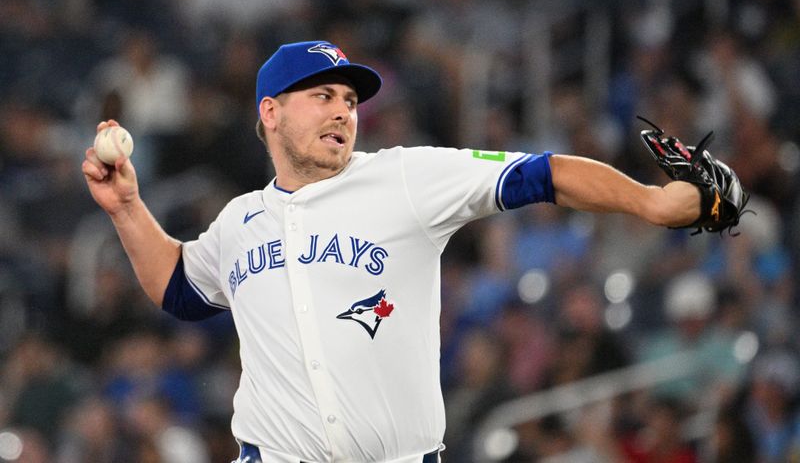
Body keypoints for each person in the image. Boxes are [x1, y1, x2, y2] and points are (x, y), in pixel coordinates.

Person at [82, 40, 706, 463]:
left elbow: (544, 173)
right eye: (322, 96)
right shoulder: (238, 221)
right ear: (270, 112)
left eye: (350, 101)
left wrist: (649, 203)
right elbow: (179, 290)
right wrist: (127, 210)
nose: (343, 112)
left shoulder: (405, 176)